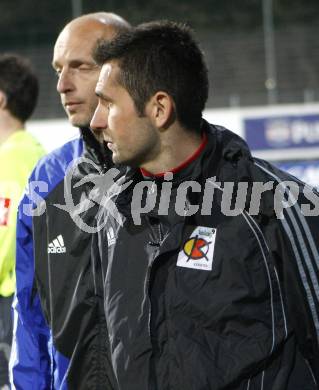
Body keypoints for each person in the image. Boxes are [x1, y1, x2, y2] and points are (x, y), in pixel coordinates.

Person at [90, 21, 319, 389]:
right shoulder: (112, 211)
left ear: (160, 108)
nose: (95, 121)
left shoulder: (278, 204)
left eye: (107, 103)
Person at [10, 13, 130, 390]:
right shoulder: (47, 178)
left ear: (123, 71)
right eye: (58, 69)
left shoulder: (164, 170)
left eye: (79, 67)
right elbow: (29, 313)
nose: (62, 84)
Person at [0, 54, 45, 388]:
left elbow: (5, 237)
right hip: (33, 298)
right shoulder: (39, 153)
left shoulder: (8, 159)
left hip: (8, 303)